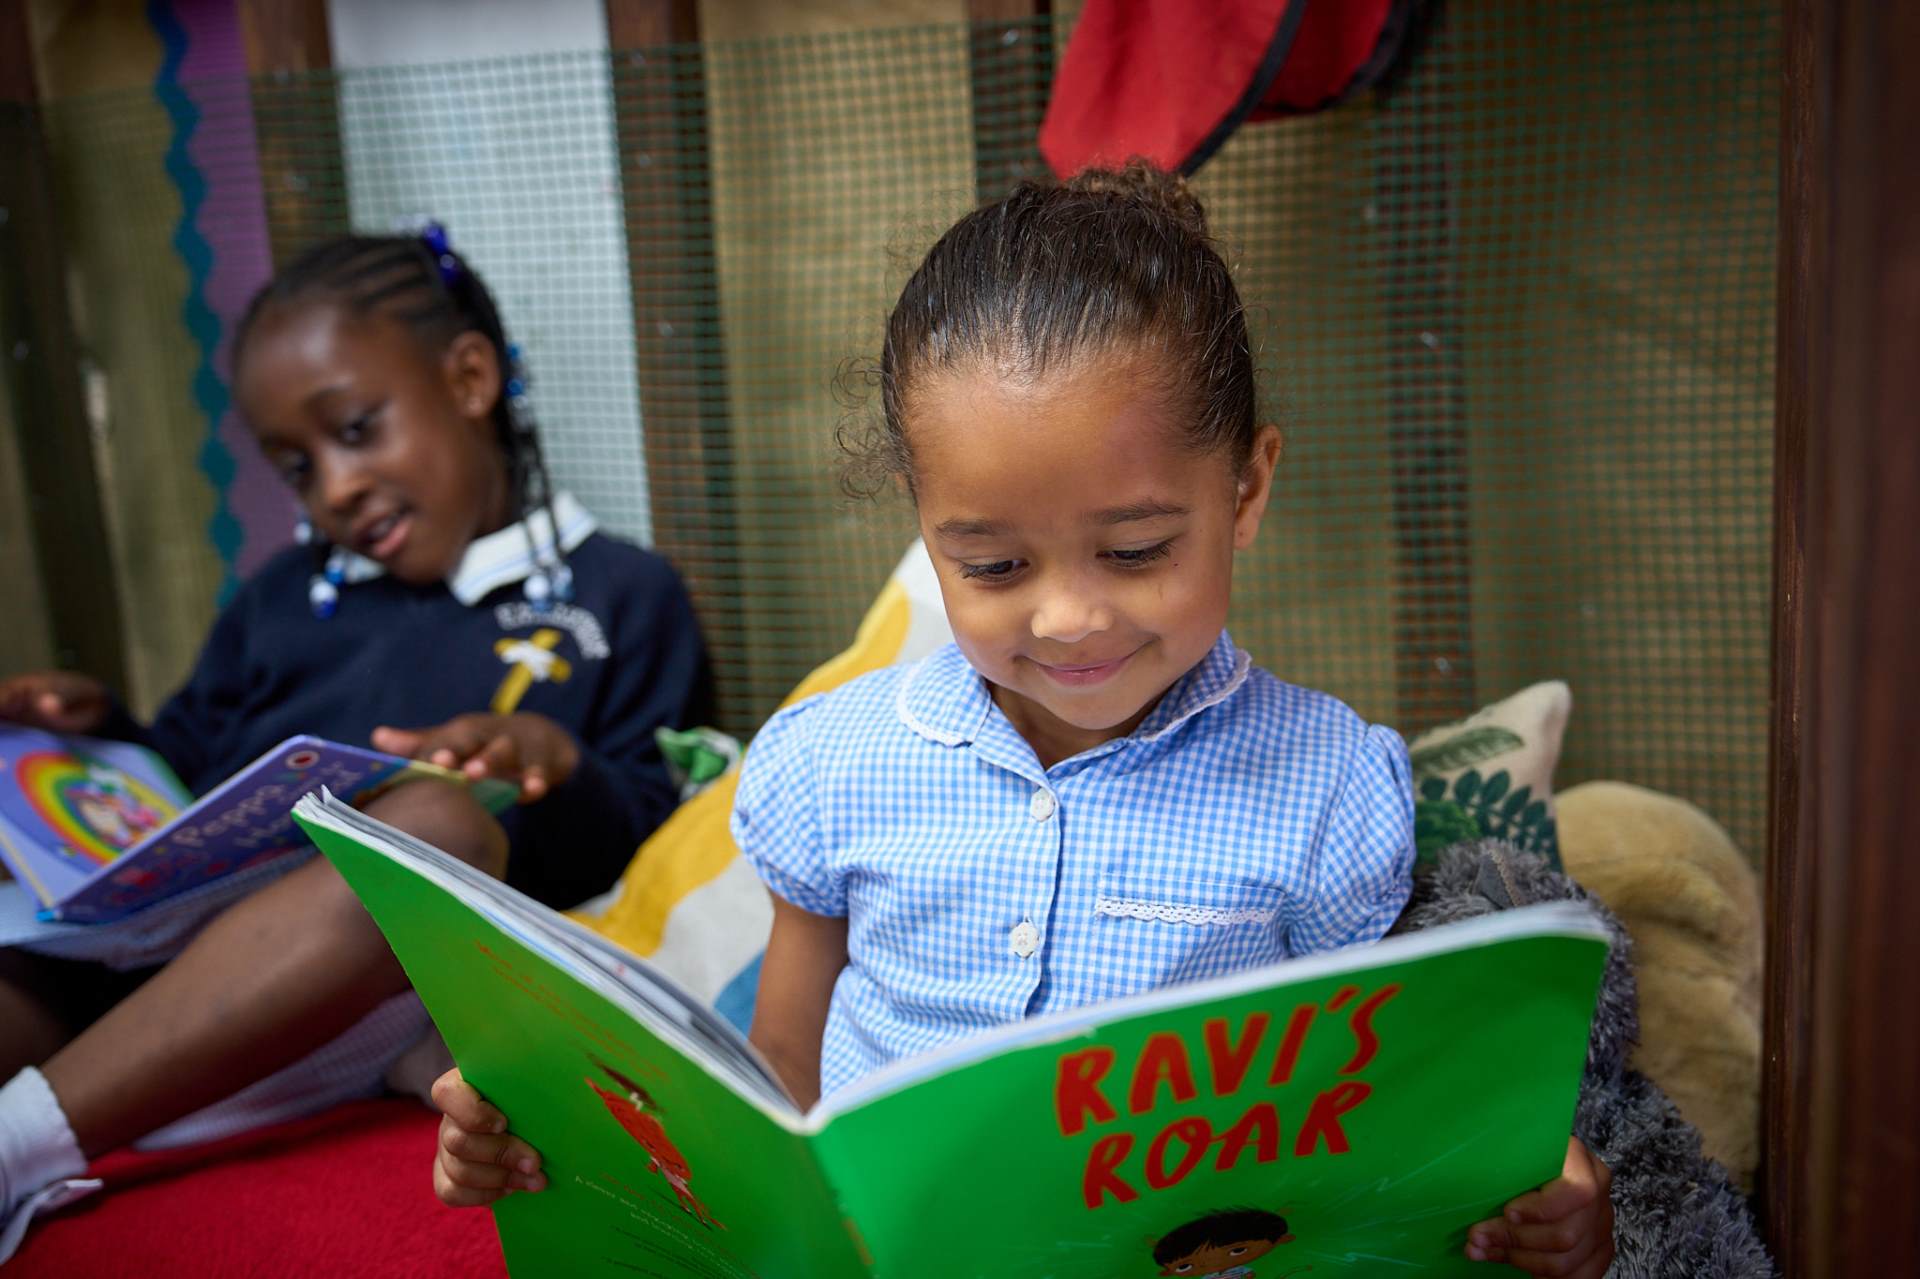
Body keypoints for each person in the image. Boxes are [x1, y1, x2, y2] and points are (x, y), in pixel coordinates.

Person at [429, 166, 1612, 1276]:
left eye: (1136, 549)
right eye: (993, 564)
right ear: (925, 521)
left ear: (1246, 489)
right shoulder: (838, 762)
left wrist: (1531, 1188)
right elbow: (782, 1080)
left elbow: (1375, 1113)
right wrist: (556, 1134)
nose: (1068, 618)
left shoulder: (1324, 783)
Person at [0, 228, 712, 1254]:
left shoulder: (620, 596)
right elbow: (176, 770)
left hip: (349, 1010)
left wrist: (556, 764)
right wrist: (97, 734)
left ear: (468, 379)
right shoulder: (282, 600)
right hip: (139, 979)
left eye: (356, 431)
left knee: (433, 826)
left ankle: (19, 1146)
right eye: (299, 466)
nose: (334, 487)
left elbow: (648, 838)